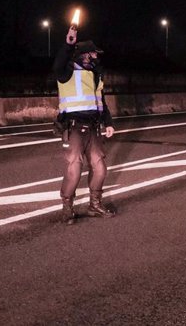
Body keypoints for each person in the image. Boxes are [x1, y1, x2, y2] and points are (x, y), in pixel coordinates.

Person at [53, 26, 115, 224]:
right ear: (84, 55)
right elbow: (57, 65)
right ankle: (67, 208)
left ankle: (95, 205)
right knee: (75, 168)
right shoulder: (66, 72)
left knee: (100, 168)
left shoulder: (95, 75)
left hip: (94, 127)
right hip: (73, 127)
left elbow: (100, 102)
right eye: (93, 53)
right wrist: (69, 44)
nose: (96, 56)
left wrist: (108, 122)